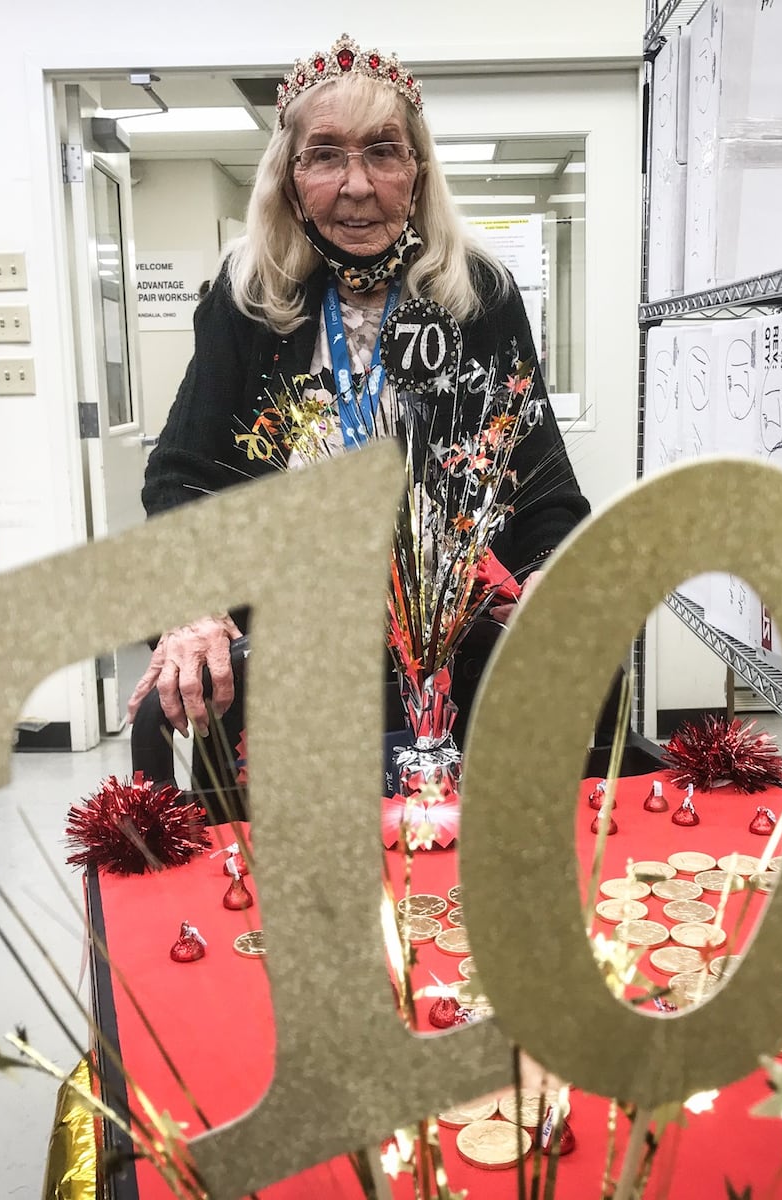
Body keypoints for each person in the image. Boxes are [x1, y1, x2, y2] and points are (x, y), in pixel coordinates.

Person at [129, 33, 590, 793]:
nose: (357, 184)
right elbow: (183, 475)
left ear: (418, 171)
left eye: (383, 151)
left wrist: (549, 579)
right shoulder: (245, 300)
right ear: (289, 174)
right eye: (326, 155)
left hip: (462, 667)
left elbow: (540, 485)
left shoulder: (481, 295)